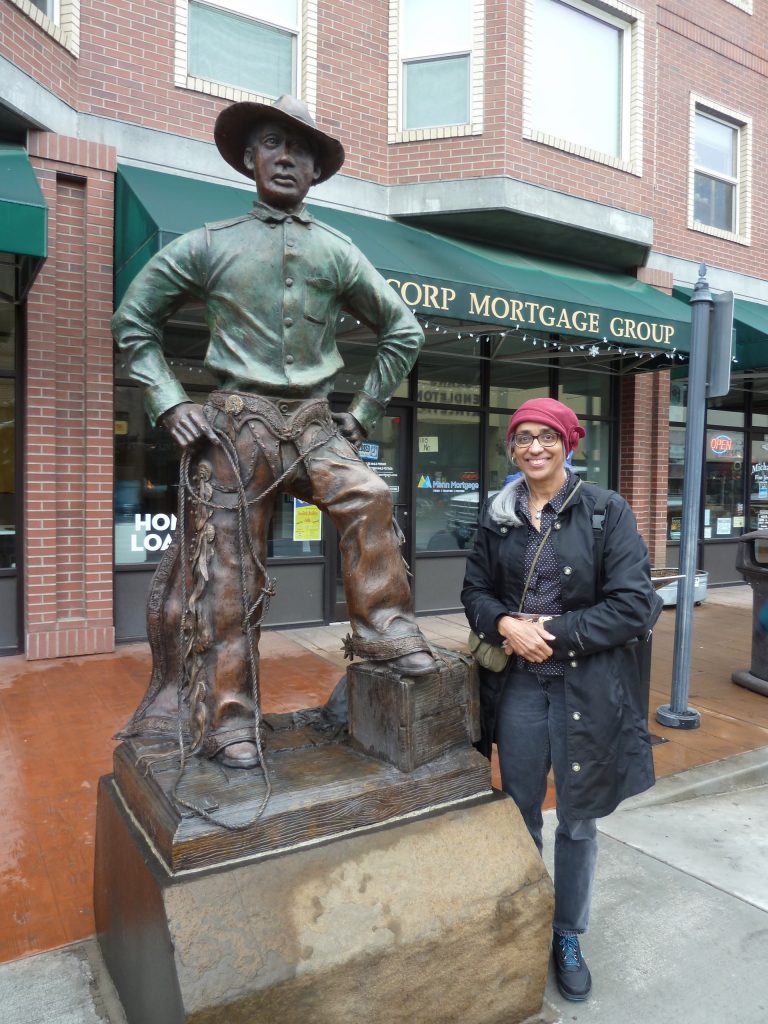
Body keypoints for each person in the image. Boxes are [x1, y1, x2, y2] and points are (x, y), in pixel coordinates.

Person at [112, 95, 436, 771]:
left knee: (369, 496)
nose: (285, 158)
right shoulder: (208, 243)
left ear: (316, 171)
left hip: (314, 424)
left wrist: (366, 410)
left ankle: (385, 629)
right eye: (270, 144)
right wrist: (171, 402)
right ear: (250, 158)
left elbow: (403, 330)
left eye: (300, 150)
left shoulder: (338, 252)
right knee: (227, 578)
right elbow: (133, 321)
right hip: (236, 428)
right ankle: (228, 723)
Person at [461, 397, 658, 1002]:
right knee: (519, 809)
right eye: (523, 439)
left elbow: (634, 604)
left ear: (568, 443)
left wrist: (548, 633)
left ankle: (567, 933)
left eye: (547, 436)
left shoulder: (605, 511)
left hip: (588, 689)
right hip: (519, 687)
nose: (534, 448)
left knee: (577, 819)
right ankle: (527, 917)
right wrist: (503, 625)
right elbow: (473, 592)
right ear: (512, 449)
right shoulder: (498, 514)